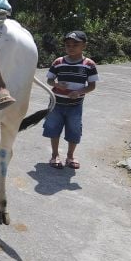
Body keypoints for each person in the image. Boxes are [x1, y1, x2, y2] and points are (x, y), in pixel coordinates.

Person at [43, 31, 99, 169]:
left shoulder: (89, 64)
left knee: (74, 130)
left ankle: (70, 156)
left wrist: (79, 92)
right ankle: (55, 155)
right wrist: (56, 84)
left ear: (84, 46)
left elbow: (92, 86)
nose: (71, 47)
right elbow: (49, 79)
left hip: (75, 105)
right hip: (56, 104)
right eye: (68, 44)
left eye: (75, 44)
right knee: (53, 128)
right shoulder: (58, 62)